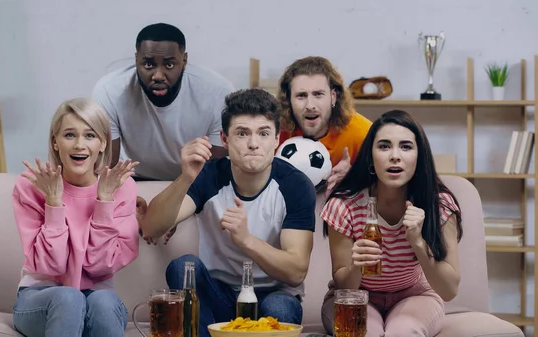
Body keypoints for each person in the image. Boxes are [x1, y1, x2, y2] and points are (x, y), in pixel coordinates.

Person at [141, 88, 317, 336]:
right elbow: (152, 227)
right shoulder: (210, 175)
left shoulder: (295, 185)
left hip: (273, 297)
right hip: (219, 296)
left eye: (264, 133)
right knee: (182, 267)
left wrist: (246, 240)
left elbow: (295, 272)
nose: (254, 144)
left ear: (277, 139)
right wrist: (186, 178)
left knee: (279, 306)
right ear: (224, 139)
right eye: (242, 133)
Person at [319, 110, 463, 336]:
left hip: (414, 295)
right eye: (384, 146)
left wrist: (417, 242)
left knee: (403, 332)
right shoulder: (343, 205)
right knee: (364, 332)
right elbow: (345, 286)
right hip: (355, 295)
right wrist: (357, 264)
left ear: (419, 156)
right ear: (370, 156)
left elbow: (449, 290)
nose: (395, 156)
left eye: (406, 147)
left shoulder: (440, 205)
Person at [11, 98, 140, 337]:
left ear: (103, 143)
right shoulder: (31, 185)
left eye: (90, 135)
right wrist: (54, 204)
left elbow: (101, 266)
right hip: (40, 298)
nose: (79, 145)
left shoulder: (121, 187)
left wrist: (104, 201)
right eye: (69, 135)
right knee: (69, 297)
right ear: (55, 142)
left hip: (97, 298)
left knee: (102, 302)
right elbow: (51, 265)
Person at [92, 22, 235, 182]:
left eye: (169, 64)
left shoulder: (217, 92)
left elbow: (213, 171)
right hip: (135, 179)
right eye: (148, 64)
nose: (158, 75)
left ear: (184, 60)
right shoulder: (110, 90)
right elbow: (106, 167)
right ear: (136, 59)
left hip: (194, 182)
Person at [276, 56, 372, 196]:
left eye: (318, 94)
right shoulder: (275, 132)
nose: (310, 105)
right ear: (288, 100)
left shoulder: (362, 133)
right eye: (301, 96)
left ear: (333, 97)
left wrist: (354, 177)